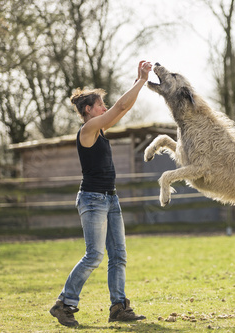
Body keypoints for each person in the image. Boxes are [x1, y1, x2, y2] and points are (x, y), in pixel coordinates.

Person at [50, 60, 153, 327]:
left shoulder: (100, 129)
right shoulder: (88, 130)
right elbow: (119, 107)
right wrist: (141, 81)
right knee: (94, 255)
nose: (105, 109)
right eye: (100, 105)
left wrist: (137, 81)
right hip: (93, 199)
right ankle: (64, 303)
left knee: (118, 255)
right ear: (88, 110)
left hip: (110, 198)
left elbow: (123, 107)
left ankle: (118, 307)